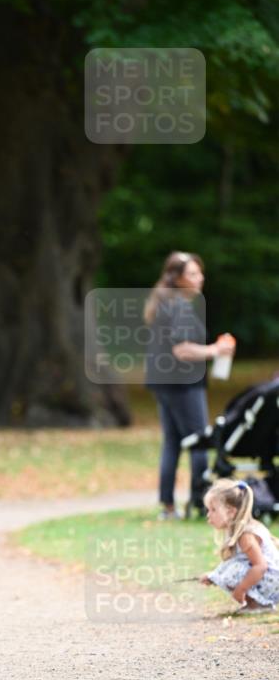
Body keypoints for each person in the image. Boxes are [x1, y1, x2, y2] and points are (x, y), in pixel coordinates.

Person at [143, 252, 236, 519]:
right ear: (178, 278)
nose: (200, 278)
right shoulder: (179, 307)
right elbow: (182, 351)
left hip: (164, 383)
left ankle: (168, 506)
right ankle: (201, 502)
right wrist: (216, 349)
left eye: (200, 272)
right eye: (193, 273)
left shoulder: (166, 304)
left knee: (172, 442)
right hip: (182, 384)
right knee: (198, 441)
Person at [200, 480, 279, 613]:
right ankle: (256, 603)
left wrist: (241, 589)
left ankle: (257, 605)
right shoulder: (241, 530)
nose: (208, 515)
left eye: (213, 510)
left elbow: (261, 566)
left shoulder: (245, 536)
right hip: (271, 580)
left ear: (231, 512)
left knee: (233, 569)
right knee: (230, 566)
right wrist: (213, 577)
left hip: (273, 582)